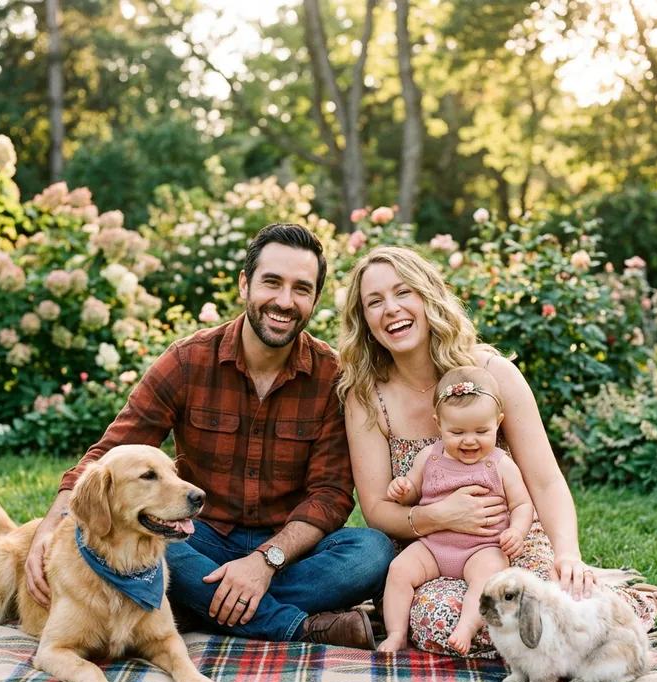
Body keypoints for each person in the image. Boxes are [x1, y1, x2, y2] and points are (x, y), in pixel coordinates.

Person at [337, 245, 657, 656]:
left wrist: (568, 554)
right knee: (440, 619)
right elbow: (377, 509)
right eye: (374, 302)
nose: (391, 309)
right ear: (365, 320)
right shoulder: (367, 396)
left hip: (508, 543)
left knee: (543, 605)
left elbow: (544, 480)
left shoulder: (493, 374)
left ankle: (644, 602)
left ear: (427, 297)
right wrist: (438, 515)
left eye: (403, 293)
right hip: (431, 553)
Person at [25, 223, 395, 650]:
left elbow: (329, 494)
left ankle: (198, 605)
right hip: (195, 535)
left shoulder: (332, 377)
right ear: (244, 283)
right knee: (155, 548)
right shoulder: (187, 362)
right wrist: (48, 529)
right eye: (271, 283)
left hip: (287, 551)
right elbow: (108, 453)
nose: (284, 301)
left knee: (371, 551)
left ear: (314, 299)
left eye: (301, 289)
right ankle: (300, 627)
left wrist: (263, 562)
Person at [380, 366, 533, 654]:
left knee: (488, 577)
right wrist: (403, 489)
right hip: (434, 546)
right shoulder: (429, 456)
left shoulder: (500, 465)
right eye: (457, 431)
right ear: (439, 424)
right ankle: (396, 633)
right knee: (399, 570)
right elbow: (413, 489)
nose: (469, 440)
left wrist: (516, 530)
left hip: (482, 548)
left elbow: (522, 503)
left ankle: (466, 626)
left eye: (481, 431)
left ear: (498, 423)